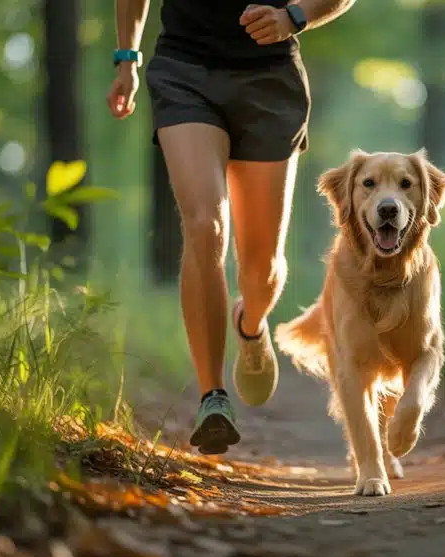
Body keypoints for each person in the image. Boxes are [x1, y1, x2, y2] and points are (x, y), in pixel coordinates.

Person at [108, 0, 356, 455]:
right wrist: (127, 57)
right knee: (205, 224)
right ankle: (212, 397)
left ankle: (251, 321)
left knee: (260, 271)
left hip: (269, 77)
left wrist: (294, 17)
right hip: (184, 70)